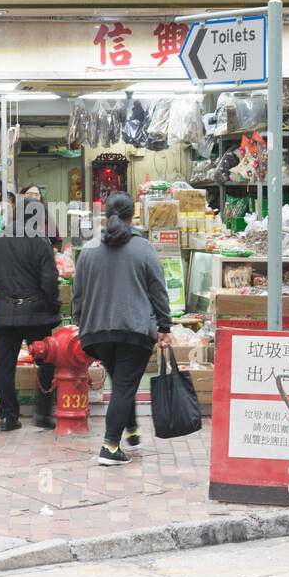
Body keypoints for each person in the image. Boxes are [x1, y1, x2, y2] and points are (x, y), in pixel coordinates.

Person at [72, 192, 172, 466]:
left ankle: (132, 429)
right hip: (134, 330)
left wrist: (80, 322)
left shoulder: (89, 249)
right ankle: (110, 447)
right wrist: (165, 324)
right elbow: (158, 290)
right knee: (125, 384)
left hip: (97, 333)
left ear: (105, 215)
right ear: (133, 216)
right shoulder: (144, 248)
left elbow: (77, 295)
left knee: (121, 382)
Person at [0, 196, 61, 432]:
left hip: (5, 315)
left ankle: (8, 416)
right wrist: (55, 307)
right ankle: (42, 412)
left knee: (6, 366)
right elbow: (49, 282)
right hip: (36, 314)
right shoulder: (41, 242)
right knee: (46, 361)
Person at [20, 184, 63, 251]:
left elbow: (57, 242)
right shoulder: (15, 216)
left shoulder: (47, 218)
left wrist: (50, 252)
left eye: (36, 194)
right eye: (30, 194)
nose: (33, 197)